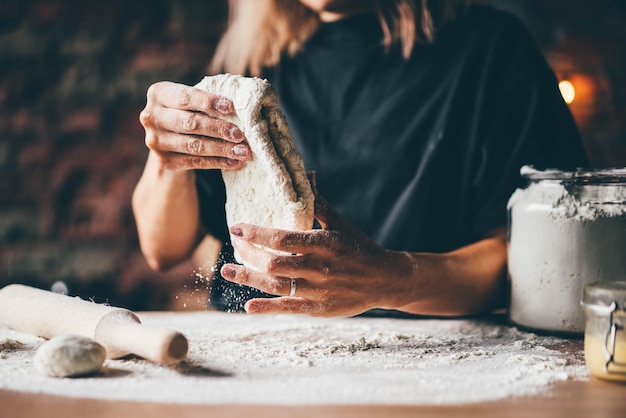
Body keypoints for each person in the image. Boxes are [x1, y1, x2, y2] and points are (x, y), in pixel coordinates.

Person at [132, 0, 589, 318]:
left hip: (430, 357)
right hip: (254, 347)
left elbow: (542, 258)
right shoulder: (253, 58)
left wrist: (397, 279)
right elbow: (163, 247)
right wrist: (168, 159)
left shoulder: (493, 52)